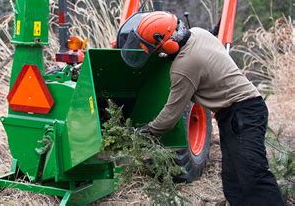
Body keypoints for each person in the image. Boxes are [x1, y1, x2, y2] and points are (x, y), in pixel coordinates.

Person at [120, 11, 284, 205]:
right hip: (239, 112)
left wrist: (146, 132)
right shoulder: (199, 33)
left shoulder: (184, 66)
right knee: (233, 181)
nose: (156, 53)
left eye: (155, 49)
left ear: (169, 44)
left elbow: (171, 114)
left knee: (253, 176)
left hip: (242, 113)